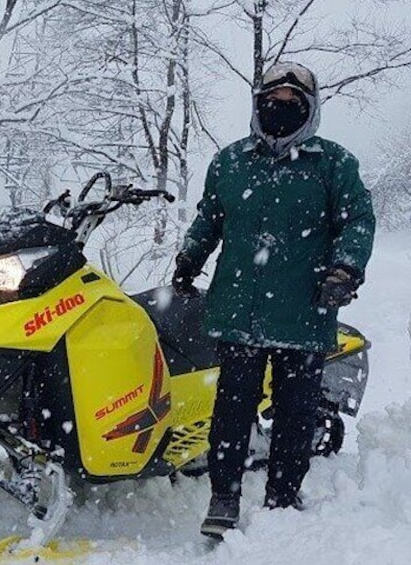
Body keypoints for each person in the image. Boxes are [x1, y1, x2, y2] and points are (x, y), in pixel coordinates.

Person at [171, 62, 375, 540]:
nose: (280, 109)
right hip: (239, 308)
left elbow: (358, 221)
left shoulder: (333, 164)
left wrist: (345, 268)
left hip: (305, 310)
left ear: (309, 109)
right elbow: (210, 218)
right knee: (231, 408)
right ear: (259, 106)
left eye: (292, 103)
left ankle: (283, 496)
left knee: (294, 412)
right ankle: (224, 496)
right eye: (272, 101)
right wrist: (190, 256)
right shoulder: (230, 162)